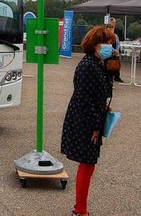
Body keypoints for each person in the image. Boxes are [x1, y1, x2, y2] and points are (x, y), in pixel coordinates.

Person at [61, 25, 115, 216]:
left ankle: (80, 208)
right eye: (107, 43)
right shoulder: (87, 66)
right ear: (95, 44)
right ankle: (80, 210)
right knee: (87, 163)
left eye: (111, 43)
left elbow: (97, 93)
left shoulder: (97, 63)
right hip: (85, 120)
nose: (111, 46)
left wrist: (104, 105)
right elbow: (84, 99)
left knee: (89, 163)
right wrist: (94, 126)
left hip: (92, 116)